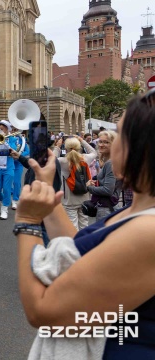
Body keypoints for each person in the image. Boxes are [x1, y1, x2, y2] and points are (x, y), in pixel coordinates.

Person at [14, 93, 155, 359]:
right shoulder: (138, 210)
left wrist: (27, 224)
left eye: (118, 135)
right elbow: (81, 254)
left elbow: (42, 311)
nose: (109, 144)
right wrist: (46, 190)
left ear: (141, 149)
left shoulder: (149, 231)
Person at [51, 136, 97, 230]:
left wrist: (57, 146)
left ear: (66, 148)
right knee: (84, 224)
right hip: (84, 196)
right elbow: (94, 152)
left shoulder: (63, 161)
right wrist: (82, 140)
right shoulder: (85, 158)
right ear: (79, 147)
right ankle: (84, 243)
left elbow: (51, 160)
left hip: (69, 200)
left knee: (72, 226)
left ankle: (74, 243)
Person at [0, 120, 20, 220]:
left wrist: (5, 141)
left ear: (7, 129)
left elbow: (13, 151)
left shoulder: (12, 139)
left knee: (7, 188)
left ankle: (4, 208)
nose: (0, 129)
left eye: (2, 128)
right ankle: (4, 200)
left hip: (8, 168)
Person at [87, 130, 118, 222]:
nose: (101, 145)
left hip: (106, 208)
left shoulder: (110, 163)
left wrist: (89, 187)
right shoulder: (109, 161)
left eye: (106, 142)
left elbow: (108, 190)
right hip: (108, 206)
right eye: (100, 141)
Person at [11, 129, 30, 210]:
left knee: (16, 182)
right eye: (12, 128)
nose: (14, 130)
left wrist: (20, 155)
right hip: (9, 162)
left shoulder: (22, 139)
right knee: (7, 182)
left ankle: (15, 199)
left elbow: (27, 151)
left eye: (15, 129)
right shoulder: (8, 138)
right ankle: (12, 192)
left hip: (19, 163)